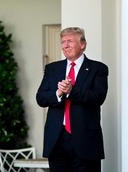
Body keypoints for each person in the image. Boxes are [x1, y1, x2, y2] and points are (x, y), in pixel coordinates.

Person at [36, 27, 108, 172]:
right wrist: (58, 92)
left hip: (85, 140)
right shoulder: (52, 68)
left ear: (82, 44)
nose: (65, 45)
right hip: (57, 139)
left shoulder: (98, 68)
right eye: (63, 42)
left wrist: (71, 91)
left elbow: (98, 97)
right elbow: (41, 98)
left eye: (70, 41)